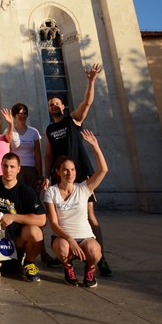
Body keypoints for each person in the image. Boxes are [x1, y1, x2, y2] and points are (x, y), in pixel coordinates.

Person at [44, 63, 111, 276]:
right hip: (60, 177)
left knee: (90, 216)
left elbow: (87, 103)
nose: (55, 106)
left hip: (80, 175)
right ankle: (64, 253)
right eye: (51, 104)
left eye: (57, 103)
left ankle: (100, 257)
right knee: (61, 216)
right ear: (49, 109)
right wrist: (46, 176)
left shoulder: (73, 120)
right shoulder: (50, 129)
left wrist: (91, 81)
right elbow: (48, 155)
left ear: (63, 106)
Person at [44, 129, 109, 288]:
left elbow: (103, 170)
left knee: (95, 251)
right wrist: (70, 239)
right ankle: (68, 268)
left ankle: (90, 270)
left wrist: (95, 146)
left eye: (72, 169)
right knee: (62, 247)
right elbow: (53, 223)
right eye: (65, 169)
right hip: (64, 238)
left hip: (85, 237)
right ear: (58, 172)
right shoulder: (51, 191)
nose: (69, 173)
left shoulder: (83, 188)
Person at [0, 152, 47, 281]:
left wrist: (13, 217)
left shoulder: (26, 191)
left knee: (36, 232)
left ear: (19, 169)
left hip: (17, 238)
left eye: (12, 167)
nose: (8, 170)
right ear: (1, 166)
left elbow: (42, 219)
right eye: (5, 166)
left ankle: (29, 263)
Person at [9, 103, 43, 190]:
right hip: (15, 169)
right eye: (20, 113)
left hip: (31, 168)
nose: (22, 116)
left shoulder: (34, 132)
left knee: (32, 194)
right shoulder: (9, 131)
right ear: (14, 115)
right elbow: (7, 152)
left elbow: (38, 154)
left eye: (25, 113)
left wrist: (39, 173)